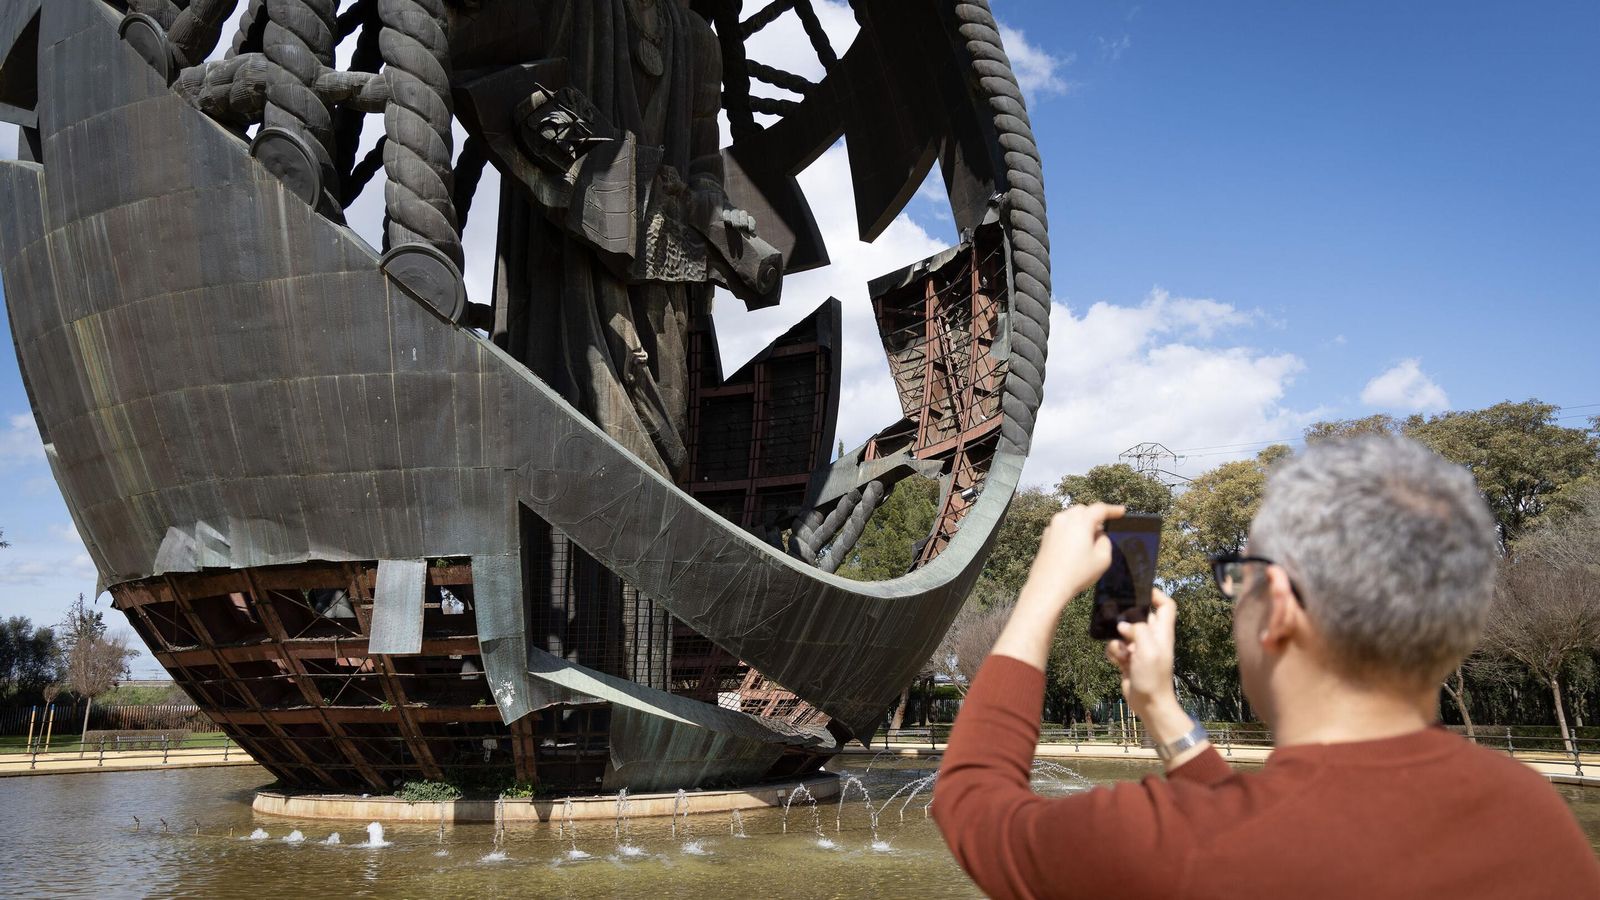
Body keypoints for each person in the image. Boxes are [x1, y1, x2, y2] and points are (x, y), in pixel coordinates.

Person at [933, 436, 1600, 899]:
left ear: (1278, 605)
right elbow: (1287, 820)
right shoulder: (1532, 817)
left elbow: (972, 803)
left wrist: (1043, 593)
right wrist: (1161, 710)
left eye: (1241, 574)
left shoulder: (1173, 848)